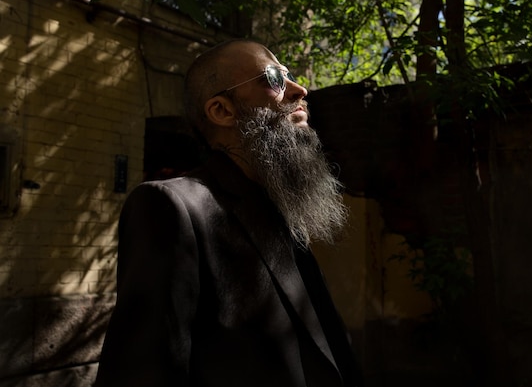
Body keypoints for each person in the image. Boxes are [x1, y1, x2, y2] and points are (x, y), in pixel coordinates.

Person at [94, 39, 363, 387]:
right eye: (273, 78)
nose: (300, 89)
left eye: (290, 75)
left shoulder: (279, 206)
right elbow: (140, 373)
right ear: (222, 111)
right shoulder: (171, 206)